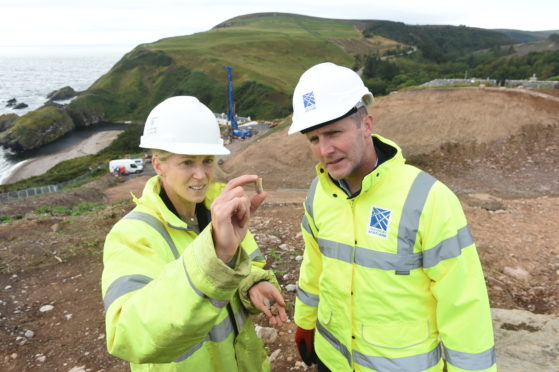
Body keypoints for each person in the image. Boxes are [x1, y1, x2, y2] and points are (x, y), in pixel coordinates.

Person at [288, 63, 496, 372]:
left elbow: (464, 305)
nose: (325, 150)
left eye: (333, 133)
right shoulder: (318, 193)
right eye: (313, 139)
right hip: (332, 362)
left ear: (366, 125)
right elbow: (314, 264)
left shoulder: (428, 199)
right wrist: (305, 321)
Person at [101, 96, 287, 371]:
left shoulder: (220, 210)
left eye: (207, 161)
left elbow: (250, 264)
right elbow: (126, 334)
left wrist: (252, 284)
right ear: (158, 165)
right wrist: (213, 259)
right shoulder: (132, 235)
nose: (201, 175)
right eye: (187, 163)